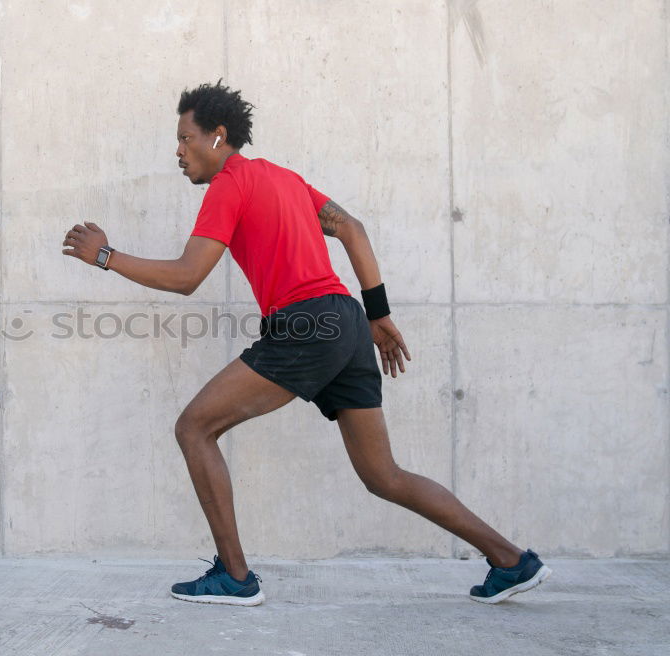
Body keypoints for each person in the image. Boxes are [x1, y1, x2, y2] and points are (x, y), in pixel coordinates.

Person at [61, 81, 551, 606]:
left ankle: (234, 576)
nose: (178, 152)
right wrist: (378, 315)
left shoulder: (231, 182)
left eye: (185, 139)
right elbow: (354, 229)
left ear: (218, 137)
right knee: (384, 475)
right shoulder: (287, 180)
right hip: (348, 319)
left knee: (194, 427)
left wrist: (105, 256)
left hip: (307, 323)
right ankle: (510, 560)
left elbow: (187, 277)